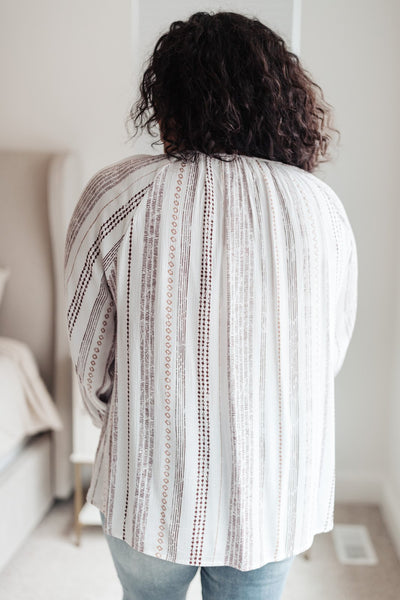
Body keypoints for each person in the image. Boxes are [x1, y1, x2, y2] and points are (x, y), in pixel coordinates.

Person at [64, 10, 358, 600]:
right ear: (280, 100)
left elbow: (90, 355)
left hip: (149, 490)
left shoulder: (117, 196)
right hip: (272, 495)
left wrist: (135, 420)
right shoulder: (321, 208)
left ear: (168, 99)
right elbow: (326, 353)